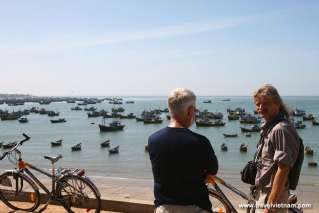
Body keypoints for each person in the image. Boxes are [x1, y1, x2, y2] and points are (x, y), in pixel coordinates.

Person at [148, 88, 218, 213]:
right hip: (195, 208)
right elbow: (213, 169)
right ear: (190, 111)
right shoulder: (200, 141)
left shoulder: (153, 139)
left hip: (164, 208)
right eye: (195, 109)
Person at [253, 84, 300, 213]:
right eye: (258, 104)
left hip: (272, 197)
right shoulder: (270, 127)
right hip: (265, 193)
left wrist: (270, 205)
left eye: (265, 103)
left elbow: (284, 168)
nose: (261, 108)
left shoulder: (281, 129)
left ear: (277, 104)